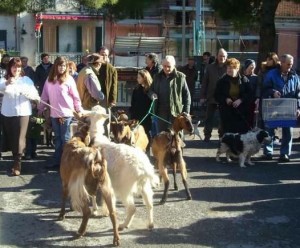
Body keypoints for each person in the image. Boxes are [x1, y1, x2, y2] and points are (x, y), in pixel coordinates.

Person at [38, 56, 84, 169]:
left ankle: (67, 162)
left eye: (64, 66)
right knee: (57, 138)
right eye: (60, 65)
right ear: (55, 66)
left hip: (66, 114)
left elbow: (75, 97)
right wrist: (40, 108)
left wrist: (79, 109)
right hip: (54, 114)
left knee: (66, 138)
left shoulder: (69, 80)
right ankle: (58, 160)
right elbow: (44, 95)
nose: (62, 68)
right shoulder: (49, 80)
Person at [0, 57, 40, 176]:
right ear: (10, 68)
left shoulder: (26, 80)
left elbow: (34, 94)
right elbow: (0, 87)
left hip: (23, 113)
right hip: (8, 113)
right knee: (12, 138)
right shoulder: (4, 79)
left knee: (19, 138)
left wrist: (31, 96)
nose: (16, 69)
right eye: (14, 67)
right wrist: (7, 83)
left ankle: (18, 163)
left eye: (18, 67)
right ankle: (15, 159)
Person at [261, 54, 300, 162]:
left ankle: (285, 154)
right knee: (269, 129)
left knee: (288, 131)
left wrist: (299, 108)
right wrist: (273, 92)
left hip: (289, 107)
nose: (290, 66)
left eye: (291, 64)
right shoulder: (271, 74)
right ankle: (268, 152)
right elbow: (264, 89)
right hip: (273, 106)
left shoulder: (295, 77)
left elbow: (298, 94)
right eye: (288, 64)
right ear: (281, 63)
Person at [148, 55, 191, 133]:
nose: (166, 68)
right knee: (162, 136)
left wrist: (186, 112)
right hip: (161, 112)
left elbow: (187, 95)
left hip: (176, 112)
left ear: (174, 65)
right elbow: (150, 90)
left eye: (169, 66)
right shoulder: (157, 77)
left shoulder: (180, 77)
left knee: (177, 137)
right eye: (164, 66)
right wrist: (152, 94)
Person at [214, 58, 252, 135]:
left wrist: (241, 100)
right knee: (227, 135)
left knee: (240, 135)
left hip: (241, 112)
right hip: (227, 112)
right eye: (228, 67)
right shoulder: (221, 81)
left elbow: (250, 94)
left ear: (237, 69)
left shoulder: (244, 80)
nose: (229, 70)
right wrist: (226, 99)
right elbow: (216, 95)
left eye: (231, 68)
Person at [200, 48, 228, 142]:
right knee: (209, 118)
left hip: (224, 98)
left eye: (224, 56)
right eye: (220, 56)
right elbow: (205, 82)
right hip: (211, 97)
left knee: (223, 118)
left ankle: (222, 136)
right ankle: (207, 135)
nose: (222, 58)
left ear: (226, 57)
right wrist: (203, 96)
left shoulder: (229, 67)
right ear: (217, 56)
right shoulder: (210, 67)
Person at [130, 69, 153, 153]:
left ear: (144, 78)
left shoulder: (150, 90)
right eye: (137, 77)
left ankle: (147, 152)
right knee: (136, 134)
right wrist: (132, 115)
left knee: (146, 134)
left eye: (139, 77)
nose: (137, 79)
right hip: (137, 116)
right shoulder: (136, 89)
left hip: (147, 116)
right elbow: (133, 103)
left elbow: (151, 103)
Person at [144, 53, 162, 137]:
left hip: (156, 97)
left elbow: (155, 84)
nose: (146, 60)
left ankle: (156, 136)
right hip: (150, 95)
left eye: (147, 59)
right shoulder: (148, 69)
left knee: (155, 117)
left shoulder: (158, 70)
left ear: (152, 60)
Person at [243, 59, 259, 127]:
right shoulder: (242, 77)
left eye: (253, 67)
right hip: (243, 101)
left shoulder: (256, 78)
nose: (252, 69)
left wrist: (257, 98)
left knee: (252, 118)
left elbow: (258, 88)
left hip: (253, 101)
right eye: (250, 67)